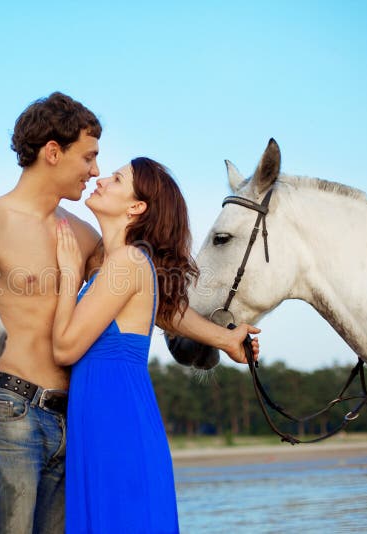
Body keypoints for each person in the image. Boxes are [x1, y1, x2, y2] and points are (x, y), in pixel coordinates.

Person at [0, 94, 259, 533]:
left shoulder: (83, 235)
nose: (95, 170)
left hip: (74, 422)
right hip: (9, 412)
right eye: (89, 157)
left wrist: (222, 338)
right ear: (53, 153)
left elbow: (152, 307)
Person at [52, 157, 260, 533]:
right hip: (105, 421)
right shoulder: (119, 263)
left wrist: (69, 275)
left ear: (136, 207)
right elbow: (167, 312)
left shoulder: (128, 262)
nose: (101, 180)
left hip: (116, 424)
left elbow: (65, 349)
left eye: (116, 179)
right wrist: (226, 339)